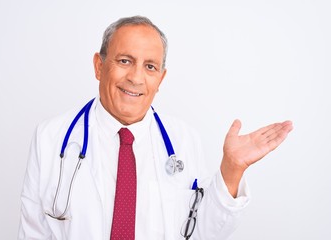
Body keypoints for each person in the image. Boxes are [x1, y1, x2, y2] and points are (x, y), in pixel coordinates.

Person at [18, 16, 293, 239]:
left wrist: (232, 168)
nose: (136, 78)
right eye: (125, 61)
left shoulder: (184, 140)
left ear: (160, 79)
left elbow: (202, 232)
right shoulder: (50, 138)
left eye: (150, 67)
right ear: (99, 66)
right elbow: (33, 232)